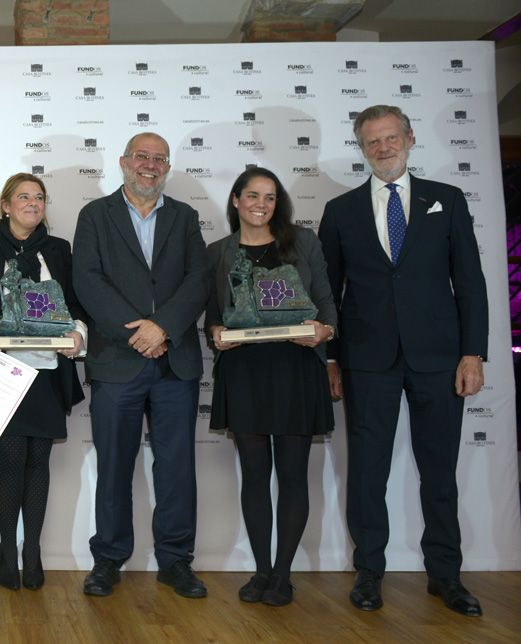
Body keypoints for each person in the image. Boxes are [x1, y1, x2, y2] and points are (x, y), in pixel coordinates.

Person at [319, 105, 488, 617]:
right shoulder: (341, 210)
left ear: (410, 139)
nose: (383, 148)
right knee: (368, 473)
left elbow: (471, 284)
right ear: (362, 148)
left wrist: (473, 353)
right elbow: (328, 293)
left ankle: (446, 576)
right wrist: (329, 359)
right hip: (367, 360)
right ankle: (369, 572)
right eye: (372, 142)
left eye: (391, 138)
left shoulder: (449, 200)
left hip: (440, 359)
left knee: (439, 472)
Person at [72, 132, 209, 598]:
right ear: (124, 162)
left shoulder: (186, 218)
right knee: (114, 467)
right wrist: (138, 334)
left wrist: (162, 328)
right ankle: (108, 559)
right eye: (142, 157)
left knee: (176, 467)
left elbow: (198, 279)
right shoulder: (95, 216)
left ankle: (176, 561)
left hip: (175, 362)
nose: (150, 165)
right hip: (117, 360)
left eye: (159, 159)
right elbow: (86, 281)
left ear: (166, 167)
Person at [204, 167, 337, 606]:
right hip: (244, 373)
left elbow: (328, 309)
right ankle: (260, 570)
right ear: (237, 201)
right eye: (253, 196)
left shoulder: (303, 243)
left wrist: (322, 332)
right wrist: (216, 334)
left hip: (296, 370)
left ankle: (283, 575)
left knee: (294, 476)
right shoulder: (218, 252)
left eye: (271, 197)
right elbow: (213, 316)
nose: (262, 204)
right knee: (255, 477)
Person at [0, 173, 86, 590]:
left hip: (47, 372)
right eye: (24, 197)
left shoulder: (59, 251)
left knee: (39, 464)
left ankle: (32, 549)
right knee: (11, 461)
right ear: (6, 206)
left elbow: (75, 304)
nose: (33, 203)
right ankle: (5, 548)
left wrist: (78, 335)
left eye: (39, 197)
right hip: (1, 372)